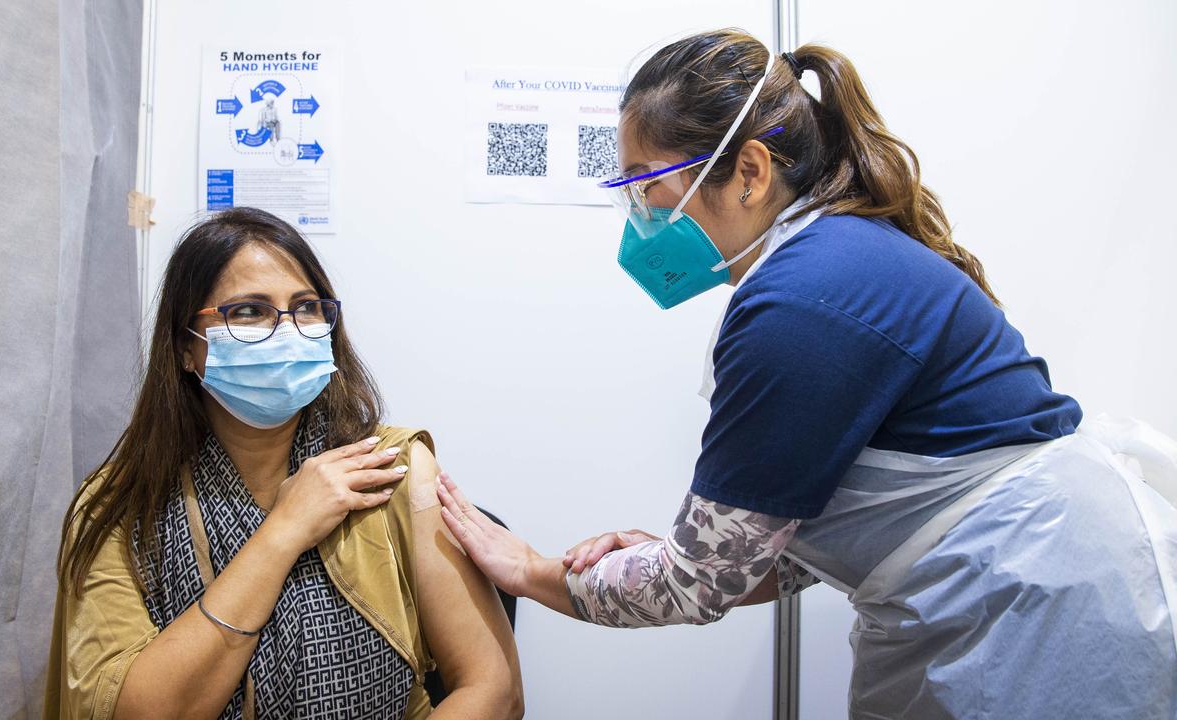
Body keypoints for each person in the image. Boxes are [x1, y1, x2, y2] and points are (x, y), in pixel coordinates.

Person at [436, 28, 1177, 720]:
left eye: (646, 183)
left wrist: (533, 571)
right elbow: (785, 544)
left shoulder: (799, 303)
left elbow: (697, 587)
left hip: (1036, 611)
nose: (637, 214)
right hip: (1019, 588)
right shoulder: (830, 261)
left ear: (750, 172)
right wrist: (706, 548)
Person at [44, 207, 522, 720]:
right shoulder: (118, 507)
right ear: (187, 347)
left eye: (306, 307)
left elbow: (494, 691)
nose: (288, 330)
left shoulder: (395, 467)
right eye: (249, 311)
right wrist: (283, 532)